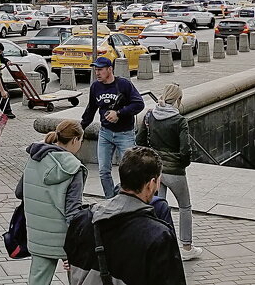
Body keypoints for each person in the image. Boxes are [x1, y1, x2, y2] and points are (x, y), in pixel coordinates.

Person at [64, 146, 185, 285]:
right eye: (158, 181)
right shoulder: (158, 236)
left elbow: (72, 269)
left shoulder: (82, 220)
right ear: (151, 184)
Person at [16, 119, 87, 285]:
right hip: (65, 238)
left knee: (38, 281)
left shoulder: (36, 157)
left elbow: (20, 192)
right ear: (75, 140)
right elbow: (73, 212)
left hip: (38, 234)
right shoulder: (74, 167)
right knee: (78, 278)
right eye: (81, 141)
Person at [136, 83, 202, 260]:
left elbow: (139, 140)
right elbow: (185, 150)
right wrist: (182, 164)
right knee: (185, 206)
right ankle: (187, 247)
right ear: (178, 99)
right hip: (175, 171)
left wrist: (151, 159)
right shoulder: (179, 121)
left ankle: (159, 243)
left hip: (156, 171)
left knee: (159, 206)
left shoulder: (150, 115)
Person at [80, 56, 145, 198]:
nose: (97, 73)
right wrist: (81, 128)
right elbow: (91, 110)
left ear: (110, 70)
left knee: (129, 170)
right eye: (96, 70)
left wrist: (119, 113)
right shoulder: (95, 87)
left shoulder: (124, 84)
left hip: (125, 134)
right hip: (105, 133)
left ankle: (127, 199)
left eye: (100, 70)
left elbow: (139, 104)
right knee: (103, 171)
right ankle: (111, 200)